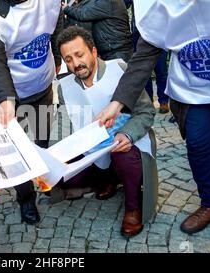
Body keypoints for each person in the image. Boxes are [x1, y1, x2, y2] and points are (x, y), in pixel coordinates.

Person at [98, 0, 210, 252]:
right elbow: (144, 56)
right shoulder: (155, 4)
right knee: (196, 141)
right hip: (193, 86)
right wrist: (118, 102)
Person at [56, 26, 156, 237]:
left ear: (93, 51)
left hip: (126, 142)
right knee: (63, 177)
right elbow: (64, 125)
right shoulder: (64, 86)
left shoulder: (119, 69)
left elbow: (146, 112)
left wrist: (127, 134)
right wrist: (53, 156)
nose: (75, 64)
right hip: (93, 149)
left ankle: (132, 205)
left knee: (124, 156)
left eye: (79, 54)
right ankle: (108, 178)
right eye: (68, 59)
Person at [0, 0, 63, 225]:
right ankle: (26, 198)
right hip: (12, 95)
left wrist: (58, 57)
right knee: (16, 152)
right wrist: (4, 99)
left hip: (43, 85)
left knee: (42, 140)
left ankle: (45, 179)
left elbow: (56, 22)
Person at [62, 0, 133, 62]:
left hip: (117, 52)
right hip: (113, 50)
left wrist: (66, 8)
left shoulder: (107, 2)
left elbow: (83, 14)